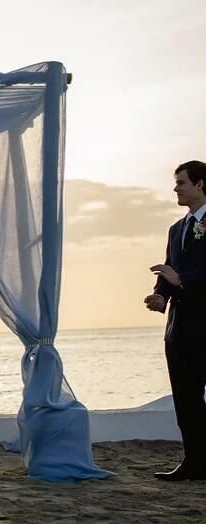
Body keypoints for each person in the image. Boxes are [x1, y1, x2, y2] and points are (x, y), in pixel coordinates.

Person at [146, 160, 206, 481]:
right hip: (178, 329)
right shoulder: (176, 229)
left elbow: (182, 275)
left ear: (200, 184)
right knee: (186, 401)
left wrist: (182, 280)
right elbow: (170, 269)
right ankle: (195, 462)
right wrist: (161, 296)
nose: (176, 189)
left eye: (181, 183)